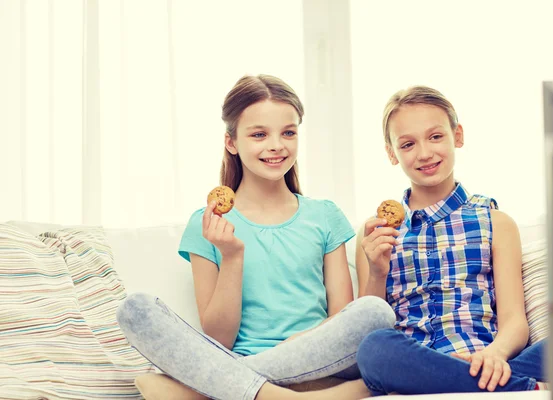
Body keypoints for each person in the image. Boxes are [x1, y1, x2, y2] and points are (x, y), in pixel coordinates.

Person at [116, 74, 395, 400]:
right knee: (135, 309)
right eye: (259, 134)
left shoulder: (325, 215)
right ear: (231, 142)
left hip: (318, 360)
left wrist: (300, 343)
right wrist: (232, 256)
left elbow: (341, 320)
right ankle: (279, 395)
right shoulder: (207, 224)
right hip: (236, 353)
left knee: (376, 312)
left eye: (288, 133)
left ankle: (215, 386)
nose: (276, 145)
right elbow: (218, 338)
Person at [353, 85, 547, 395]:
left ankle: (481, 380)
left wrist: (493, 355)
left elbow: (514, 321)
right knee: (373, 348)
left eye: (435, 136)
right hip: (415, 362)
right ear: (392, 153)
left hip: (488, 357)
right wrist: (377, 271)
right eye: (407, 144)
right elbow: (369, 326)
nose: (425, 153)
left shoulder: (495, 221)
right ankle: (522, 389)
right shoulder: (376, 232)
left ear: (457, 136)